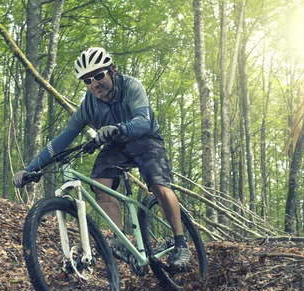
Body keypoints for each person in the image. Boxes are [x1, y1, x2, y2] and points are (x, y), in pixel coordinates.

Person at [13, 47, 191, 272]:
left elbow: (144, 121)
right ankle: (123, 242)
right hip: (116, 145)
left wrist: (116, 128)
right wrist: (30, 168)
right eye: (87, 80)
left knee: (158, 185)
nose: (94, 83)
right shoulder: (88, 106)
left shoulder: (131, 86)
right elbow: (62, 140)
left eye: (99, 76)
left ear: (112, 72)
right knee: (100, 185)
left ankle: (181, 243)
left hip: (146, 139)